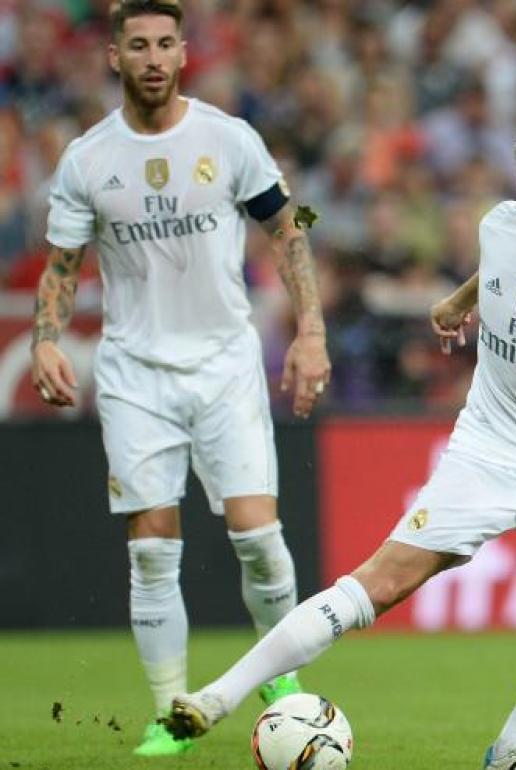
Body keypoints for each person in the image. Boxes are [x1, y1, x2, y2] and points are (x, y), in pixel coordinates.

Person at [163, 113, 516, 770]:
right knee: (380, 581)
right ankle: (215, 698)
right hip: (484, 452)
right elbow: (502, 271)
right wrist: (459, 302)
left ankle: (513, 746)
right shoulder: (500, 226)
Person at [30, 0, 331, 757]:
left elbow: (293, 225)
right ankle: (173, 713)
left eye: (166, 42)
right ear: (114, 56)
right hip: (135, 372)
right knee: (152, 548)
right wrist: (45, 341)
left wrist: (310, 332)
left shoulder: (229, 139)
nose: (155, 57)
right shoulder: (88, 159)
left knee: (258, 536)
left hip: (225, 362)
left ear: (185, 52)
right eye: (139, 45)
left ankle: (282, 688)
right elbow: (62, 266)